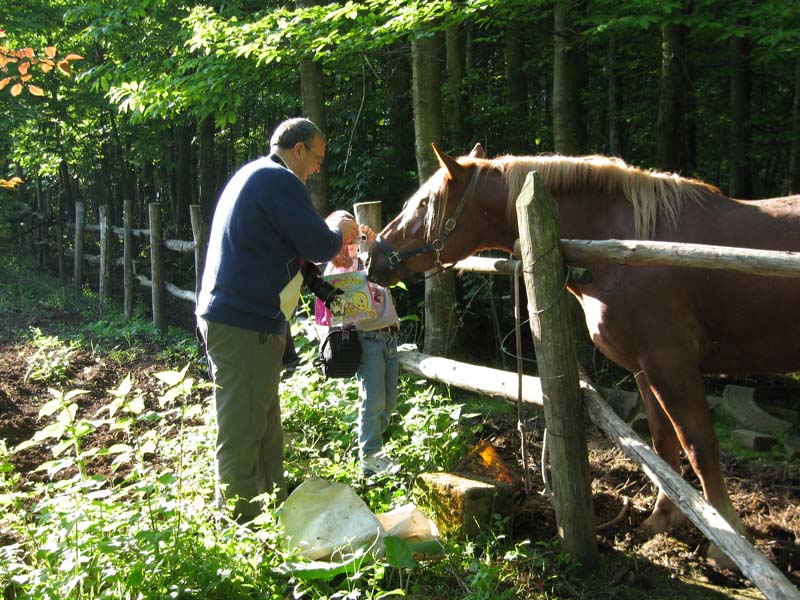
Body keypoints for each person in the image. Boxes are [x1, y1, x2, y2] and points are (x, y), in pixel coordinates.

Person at [196, 117, 358, 522]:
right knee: (242, 434)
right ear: (298, 149)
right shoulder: (278, 180)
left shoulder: (253, 176)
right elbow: (320, 242)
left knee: (265, 428)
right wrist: (341, 230)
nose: (318, 168)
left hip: (243, 319)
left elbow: (290, 248)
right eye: (317, 158)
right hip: (245, 322)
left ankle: (273, 515)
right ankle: (240, 530)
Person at [315, 215, 401, 477]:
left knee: (389, 400)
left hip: (389, 335)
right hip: (368, 338)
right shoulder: (337, 270)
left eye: (354, 239)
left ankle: (375, 449)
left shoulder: (369, 260)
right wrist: (338, 256)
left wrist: (374, 243)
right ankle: (370, 457)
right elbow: (334, 304)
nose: (350, 246)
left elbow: (392, 269)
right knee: (373, 400)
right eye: (345, 240)